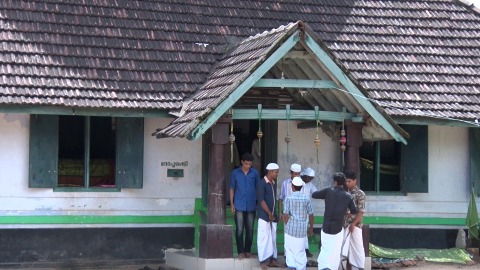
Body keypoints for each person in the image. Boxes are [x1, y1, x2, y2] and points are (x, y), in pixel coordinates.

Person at [312, 172, 357, 270]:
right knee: (336, 250)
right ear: (343, 183)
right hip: (337, 227)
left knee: (324, 248)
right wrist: (346, 213)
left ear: (335, 182)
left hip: (326, 226)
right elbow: (354, 211)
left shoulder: (328, 191)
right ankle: (332, 268)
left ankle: (324, 267)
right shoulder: (347, 195)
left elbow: (314, 195)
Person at [230, 153, 260, 259]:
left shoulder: (255, 173)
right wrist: (232, 204)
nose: (248, 166)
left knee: (250, 229)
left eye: (250, 164)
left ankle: (247, 251)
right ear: (242, 162)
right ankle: (240, 252)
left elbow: (258, 188)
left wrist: (259, 202)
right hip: (239, 204)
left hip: (251, 204)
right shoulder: (235, 173)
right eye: (246, 163)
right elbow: (232, 188)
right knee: (239, 229)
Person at [283, 176, 314, 270]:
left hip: (290, 229)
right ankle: (301, 267)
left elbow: (285, 214)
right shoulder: (306, 199)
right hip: (302, 229)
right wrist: (311, 227)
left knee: (289, 249)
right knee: (300, 251)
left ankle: (292, 266)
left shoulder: (288, 198)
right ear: (302, 187)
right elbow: (311, 215)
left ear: (292, 186)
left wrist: (288, 224)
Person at [257, 163, 282, 270]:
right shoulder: (262, 183)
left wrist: (274, 214)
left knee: (272, 238)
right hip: (264, 216)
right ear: (270, 171)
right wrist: (269, 213)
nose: (277, 174)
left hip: (272, 215)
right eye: (276, 172)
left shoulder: (272, 183)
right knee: (263, 239)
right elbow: (261, 201)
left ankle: (273, 260)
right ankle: (263, 261)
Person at [342, 171, 366, 270]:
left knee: (357, 248)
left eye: (349, 181)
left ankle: (360, 267)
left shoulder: (360, 194)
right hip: (344, 225)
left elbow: (361, 212)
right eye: (346, 181)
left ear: (355, 181)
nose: (347, 183)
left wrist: (353, 224)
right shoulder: (345, 193)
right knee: (344, 248)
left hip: (355, 226)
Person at [300, 167, 318, 258]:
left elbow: (315, 193)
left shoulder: (310, 184)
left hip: (306, 211)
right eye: (309, 178)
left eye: (311, 178)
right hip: (296, 210)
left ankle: (305, 249)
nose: (310, 180)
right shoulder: (298, 182)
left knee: (304, 231)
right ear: (304, 176)